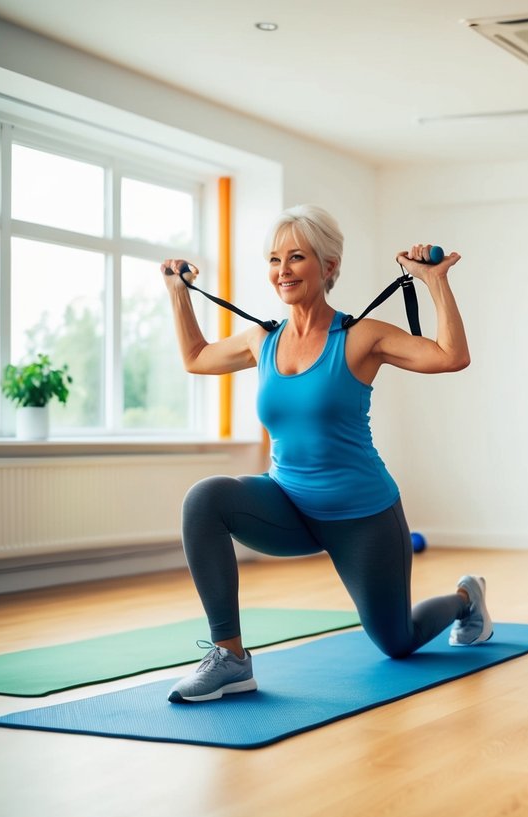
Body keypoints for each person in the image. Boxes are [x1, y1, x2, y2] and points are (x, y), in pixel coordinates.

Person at [160, 204, 491, 703]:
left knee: (397, 642)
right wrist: (177, 295)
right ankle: (230, 659)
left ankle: (468, 599)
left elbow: (451, 356)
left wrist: (435, 281)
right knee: (204, 499)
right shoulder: (262, 340)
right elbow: (196, 357)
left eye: (296, 257)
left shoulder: (361, 337)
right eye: (274, 260)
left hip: (362, 516)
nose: (283, 270)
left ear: (329, 267)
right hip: (287, 505)